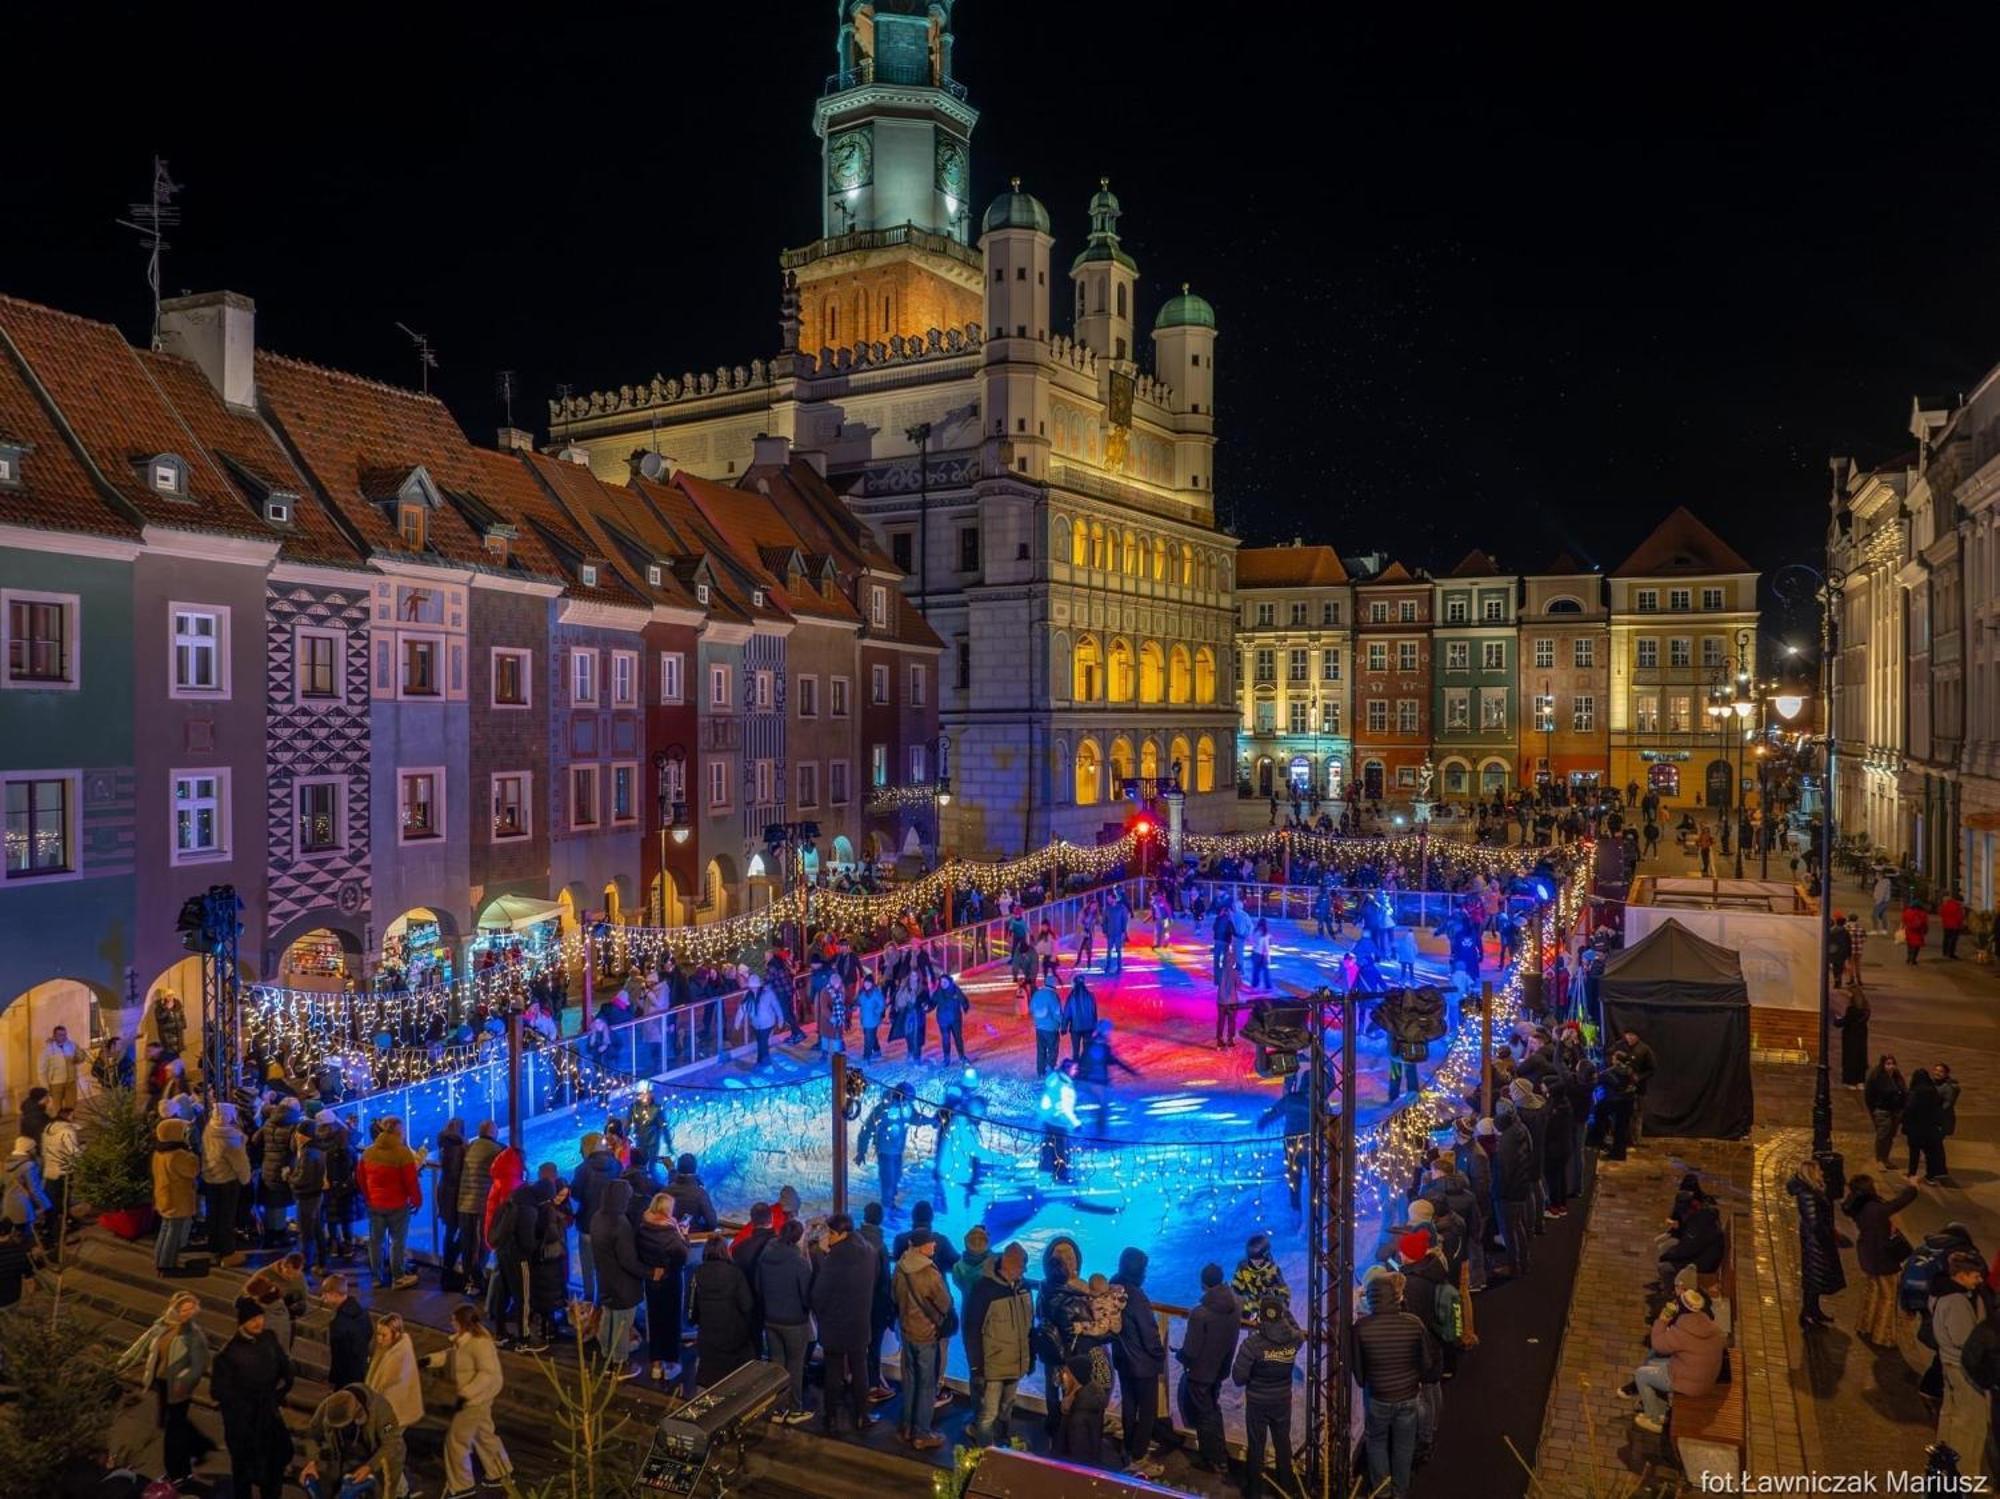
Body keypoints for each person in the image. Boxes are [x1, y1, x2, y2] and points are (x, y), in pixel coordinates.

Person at [117, 1292, 211, 1487]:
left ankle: (178, 1472)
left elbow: (199, 1366)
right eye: (184, 1310)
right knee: (168, 1424)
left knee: (173, 1431)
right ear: (175, 1309)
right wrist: (121, 1362)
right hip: (161, 1382)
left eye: (191, 1310)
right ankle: (191, 1456)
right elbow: (141, 1346)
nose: (188, 1314)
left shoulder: (194, 1336)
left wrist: (183, 1383)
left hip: (179, 1388)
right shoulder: (162, 1327)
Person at [212, 1295, 296, 1499]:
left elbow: (286, 1370)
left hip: (268, 1422)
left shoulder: (268, 1338)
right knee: (244, 1477)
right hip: (244, 1431)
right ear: (242, 1323)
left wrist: (276, 1396)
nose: (258, 1322)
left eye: (260, 1317)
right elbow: (221, 1394)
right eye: (253, 1320)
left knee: (272, 1478)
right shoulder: (227, 1356)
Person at [426, 1303, 512, 1495]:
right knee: (484, 1435)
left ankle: (462, 1485)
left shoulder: (479, 1344)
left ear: (462, 1323)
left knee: (456, 1441)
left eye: (453, 1320)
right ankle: (500, 1472)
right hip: (476, 1398)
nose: (451, 1323)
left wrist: (466, 1395)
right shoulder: (466, 1341)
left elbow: (487, 1374)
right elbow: (453, 1356)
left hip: (474, 1400)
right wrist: (429, 1360)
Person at [810, 1212, 877, 1436]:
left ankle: (830, 1417)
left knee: (833, 1372)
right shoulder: (868, 1251)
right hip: (859, 1323)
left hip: (835, 1325)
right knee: (860, 1369)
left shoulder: (835, 1259)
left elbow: (818, 1295)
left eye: (831, 1233)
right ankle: (862, 1415)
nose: (828, 1237)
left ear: (842, 1233)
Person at [1237, 1293, 1308, 1499]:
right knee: (1282, 1444)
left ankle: (1254, 1491)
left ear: (1261, 1316)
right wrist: (1283, 1311)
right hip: (1281, 1400)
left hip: (1258, 1401)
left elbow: (1238, 1378)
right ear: (1281, 1316)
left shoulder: (1252, 1345)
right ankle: (1285, 1488)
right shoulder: (1294, 1339)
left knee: (1256, 1445)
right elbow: (1297, 1331)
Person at [1932, 1249, 1995, 1481]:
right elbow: (1965, 1339)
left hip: (1947, 1362)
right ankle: (1966, 1475)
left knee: (1950, 1415)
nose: (1979, 1281)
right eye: (1975, 1276)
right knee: (1972, 1422)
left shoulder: (1940, 1293)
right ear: (1961, 1275)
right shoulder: (1957, 1301)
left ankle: (1943, 1463)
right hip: (1961, 1368)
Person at [963, 1240, 1033, 1447]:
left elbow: (1029, 1327)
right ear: (1009, 1264)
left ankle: (1001, 1445)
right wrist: (977, 1367)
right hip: (992, 1365)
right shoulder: (984, 1290)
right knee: (988, 1414)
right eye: (1021, 1266)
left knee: (1006, 1408)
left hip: (1016, 1362)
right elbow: (972, 1329)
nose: (1024, 1271)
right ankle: (984, 1454)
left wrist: (1030, 1358)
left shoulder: (1024, 1287)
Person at [1625, 1287, 1723, 1434]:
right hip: (1703, 1378)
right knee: (1652, 1363)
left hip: (1690, 1384)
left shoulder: (1684, 1330)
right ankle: (1659, 1407)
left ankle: (1655, 1419)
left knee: (1642, 1374)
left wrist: (1663, 1320)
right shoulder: (1708, 1324)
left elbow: (1658, 1344)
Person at [892, 1227, 954, 1450]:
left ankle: (906, 1426)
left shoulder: (900, 1266)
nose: (934, 1245)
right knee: (927, 1384)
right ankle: (922, 1433)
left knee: (909, 1381)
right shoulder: (929, 1272)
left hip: (906, 1331)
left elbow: (895, 1297)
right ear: (922, 1246)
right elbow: (945, 1303)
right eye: (931, 1242)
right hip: (926, 1334)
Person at [1177, 1263, 1240, 1475]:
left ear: (1203, 1284)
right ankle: (1221, 1455)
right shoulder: (1236, 1304)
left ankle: (1211, 1458)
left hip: (1200, 1373)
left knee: (1205, 1414)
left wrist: (1180, 1355)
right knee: (1213, 1409)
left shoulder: (1200, 1314)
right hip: (1220, 1369)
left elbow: (1192, 1350)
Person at [1110, 1247, 1168, 1478]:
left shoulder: (1114, 1289)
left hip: (1124, 1359)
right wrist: (1158, 1355)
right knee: (1146, 1412)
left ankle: (1129, 1446)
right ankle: (1138, 1456)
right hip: (1142, 1364)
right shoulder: (1136, 1297)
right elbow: (1149, 1332)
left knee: (1129, 1405)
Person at [1842, 1173, 1919, 1346]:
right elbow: (1898, 1203)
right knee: (1888, 1297)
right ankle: (1882, 1335)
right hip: (1882, 1258)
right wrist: (1913, 1187)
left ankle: (1865, 1324)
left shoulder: (1857, 1205)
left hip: (1868, 1254)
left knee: (1873, 1292)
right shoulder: (1874, 1209)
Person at [300, 1383, 405, 1499]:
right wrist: (311, 1461)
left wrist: (370, 1467)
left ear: (358, 1411)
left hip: (376, 1458)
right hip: (343, 1457)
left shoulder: (382, 1412)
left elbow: (392, 1442)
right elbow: (312, 1434)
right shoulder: (329, 1405)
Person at [757, 1218, 814, 1421]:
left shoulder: (765, 1254)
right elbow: (807, 1295)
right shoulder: (799, 1262)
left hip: (770, 1319)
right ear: (798, 1238)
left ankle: (777, 1409)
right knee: (795, 1366)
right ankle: (795, 1409)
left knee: (776, 1365)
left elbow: (758, 1287)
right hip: (794, 1322)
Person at [356, 1117, 422, 1290]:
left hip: (375, 1204)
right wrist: (417, 1201)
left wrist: (369, 1198)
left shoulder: (368, 1152)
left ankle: (376, 1277)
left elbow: (361, 1178)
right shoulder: (402, 1153)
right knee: (397, 1242)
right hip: (397, 1205)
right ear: (399, 1132)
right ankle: (398, 1277)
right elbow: (411, 1182)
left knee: (376, 1242)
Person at [590, 1178, 646, 1377]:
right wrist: (648, 1273)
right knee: (622, 1323)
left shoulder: (598, 1216)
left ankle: (606, 1356)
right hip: (623, 1283)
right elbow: (628, 1260)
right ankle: (620, 1364)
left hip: (605, 1278)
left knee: (608, 1317)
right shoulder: (620, 1224)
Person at [688, 1234, 756, 1388]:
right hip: (733, 1334)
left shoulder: (697, 1273)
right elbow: (747, 1304)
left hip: (707, 1333)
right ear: (726, 1251)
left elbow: (691, 1308)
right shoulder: (735, 1273)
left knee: (707, 1378)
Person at [638, 1191, 690, 1382]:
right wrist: (682, 1234)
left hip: (652, 1280)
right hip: (670, 1280)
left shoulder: (643, 1226)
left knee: (655, 1320)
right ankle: (671, 1363)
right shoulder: (669, 1233)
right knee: (671, 1321)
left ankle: (655, 1364)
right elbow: (683, 1255)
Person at [1787, 1158, 1846, 1328]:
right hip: (1816, 1243)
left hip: (1817, 1241)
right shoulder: (1808, 1194)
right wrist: (1826, 1234)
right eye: (1819, 1170)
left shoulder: (1812, 1191)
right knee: (1814, 1278)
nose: (1822, 1173)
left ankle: (1813, 1310)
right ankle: (1807, 1315)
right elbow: (1814, 1221)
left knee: (1816, 1278)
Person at [366, 1312, 425, 1470]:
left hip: (394, 1416)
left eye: (383, 1335)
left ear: (396, 1334)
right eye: (378, 1334)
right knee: (389, 1447)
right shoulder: (390, 1349)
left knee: (388, 1447)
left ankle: (399, 1489)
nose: (379, 1339)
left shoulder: (397, 1356)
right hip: (390, 1413)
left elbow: (380, 1385)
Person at [201, 1102, 253, 1267]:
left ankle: (214, 1247)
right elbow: (241, 1164)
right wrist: (246, 1180)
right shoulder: (231, 1138)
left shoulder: (209, 1130)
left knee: (213, 1214)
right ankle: (228, 1252)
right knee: (226, 1217)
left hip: (210, 1178)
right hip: (227, 1181)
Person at [457, 1119, 502, 1294]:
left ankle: (469, 1277)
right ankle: (478, 1278)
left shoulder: (470, 1147)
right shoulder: (496, 1150)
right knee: (484, 1241)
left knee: (467, 1243)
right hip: (482, 1203)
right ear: (493, 1133)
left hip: (464, 1202)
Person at [150, 1118, 199, 1272]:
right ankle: (167, 1264)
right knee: (173, 1233)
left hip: (165, 1196)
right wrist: (194, 1154)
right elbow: (192, 1170)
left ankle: (159, 1260)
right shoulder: (178, 1155)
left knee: (165, 1228)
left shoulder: (160, 1151)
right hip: (177, 1199)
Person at [320, 1273, 375, 1389]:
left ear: (335, 1294)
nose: (323, 1299)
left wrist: (333, 1379)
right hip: (362, 1367)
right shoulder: (362, 1310)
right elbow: (369, 1332)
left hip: (346, 1376)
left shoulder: (339, 1323)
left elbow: (338, 1356)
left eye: (326, 1295)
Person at [1055, 1352, 1109, 1466]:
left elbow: (1079, 1454)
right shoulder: (1083, 1399)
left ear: (1075, 1377)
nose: (1063, 1377)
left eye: (1066, 1373)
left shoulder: (1079, 1413)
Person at [1904, 1066, 1949, 1185]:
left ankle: (1912, 1173)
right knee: (1930, 1153)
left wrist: (1905, 1125)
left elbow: (1909, 1110)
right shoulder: (1932, 1091)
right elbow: (1938, 1109)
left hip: (1915, 1129)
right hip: (1929, 1129)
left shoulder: (1914, 1092)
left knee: (1914, 1152)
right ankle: (1931, 1176)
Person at [1866, 1054, 1908, 1169]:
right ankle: (1880, 1159)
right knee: (1883, 1135)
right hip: (1882, 1111)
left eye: (1893, 1064)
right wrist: (1874, 1109)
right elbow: (1869, 1096)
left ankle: (1886, 1158)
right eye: (1888, 1064)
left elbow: (1904, 1091)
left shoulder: (1897, 1076)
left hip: (1896, 1111)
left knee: (1890, 1135)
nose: (1891, 1067)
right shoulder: (1877, 1077)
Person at [1834, 984, 1870, 1089]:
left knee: (1850, 1058)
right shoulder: (1866, 1008)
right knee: (1860, 1058)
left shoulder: (1852, 1009)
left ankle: (1850, 1081)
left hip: (1851, 1037)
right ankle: (1860, 1081)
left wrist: (1837, 1019)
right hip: (1862, 1036)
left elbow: (1843, 1022)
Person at [40, 1025, 80, 1114]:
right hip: (56, 1083)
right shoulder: (48, 1049)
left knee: (71, 1106)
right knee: (56, 1108)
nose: (63, 1037)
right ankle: (57, 1125)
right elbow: (42, 1070)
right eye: (60, 1035)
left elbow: (80, 1058)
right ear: (54, 1036)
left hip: (71, 1081)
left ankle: (69, 1124)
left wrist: (77, 1056)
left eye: (65, 1035)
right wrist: (45, 1086)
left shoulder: (71, 1045)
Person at [1030, 974, 1064, 1074]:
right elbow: (1057, 1013)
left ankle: (1040, 1071)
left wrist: (1037, 1020)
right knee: (1053, 1050)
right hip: (1051, 1028)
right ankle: (1050, 1069)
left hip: (1039, 1028)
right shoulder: (1053, 996)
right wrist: (1063, 1023)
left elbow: (1031, 1008)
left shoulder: (1037, 993)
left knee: (1041, 1050)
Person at [1902, 897, 1930, 964]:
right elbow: (1925, 922)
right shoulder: (1923, 913)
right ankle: (1913, 959)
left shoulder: (1907, 911)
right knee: (1916, 946)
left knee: (1909, 945)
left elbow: (1904, 920)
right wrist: (1925, 930)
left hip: (1909, 931)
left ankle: (1909, 958)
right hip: (1918, 931)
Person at [1872, 869, 1895, 934]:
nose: (1875, 876)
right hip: (1883, 901)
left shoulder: (1883, 883)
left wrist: (1878, 902)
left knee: (1874, 915)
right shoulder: (1882, 882)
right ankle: (1885, 929)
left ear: (1880, 875)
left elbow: (1881, 894)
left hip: (1882, 901)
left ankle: (1875, 930)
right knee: (1882, 915)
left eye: (1876, 875)